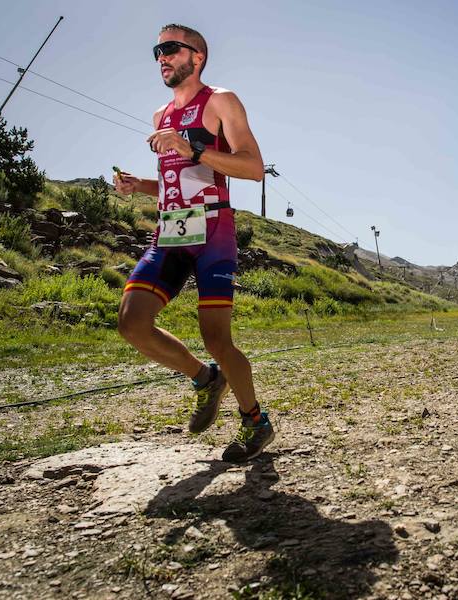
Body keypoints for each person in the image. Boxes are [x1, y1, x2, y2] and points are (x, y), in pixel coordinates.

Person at [113, 24, 273, 463]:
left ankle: (255, 422)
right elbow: (174, 181)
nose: (161, 57)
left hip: (213, 229)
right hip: (170, 230)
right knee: (132, 323)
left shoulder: (221, 100)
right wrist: (139, 185)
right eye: (156, 51)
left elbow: (253, 167)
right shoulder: (159, 116)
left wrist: (193, 150)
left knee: (216, 337)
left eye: (169, 49)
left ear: (196, 57)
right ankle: (206, 379)